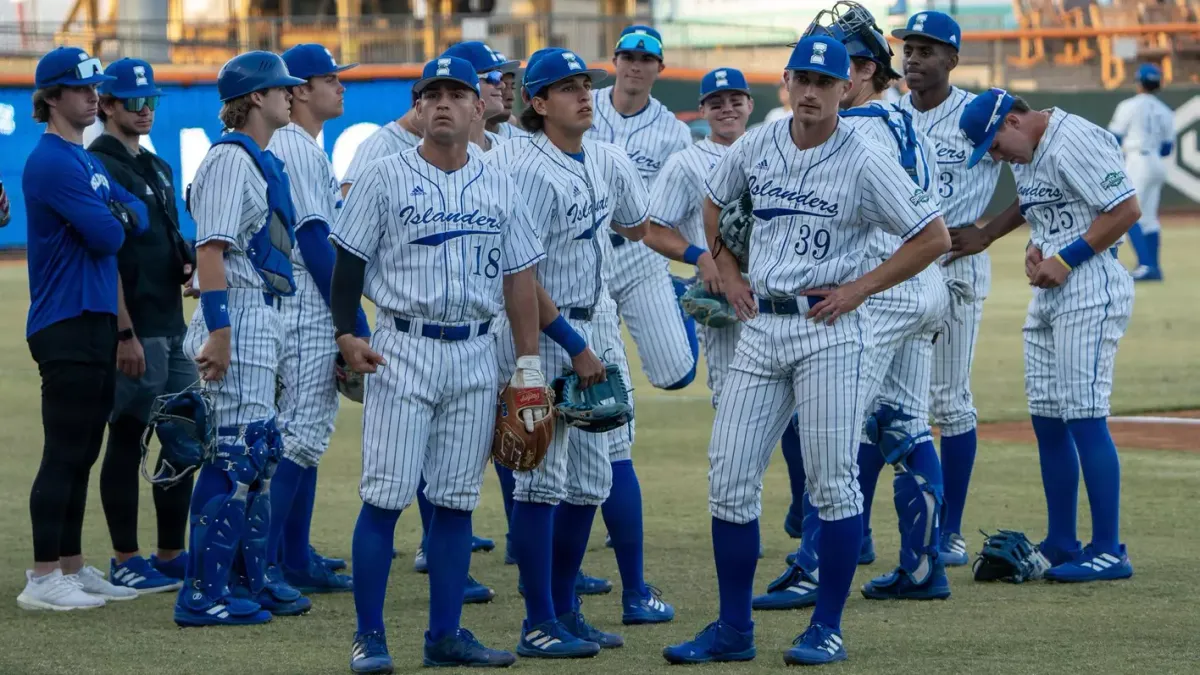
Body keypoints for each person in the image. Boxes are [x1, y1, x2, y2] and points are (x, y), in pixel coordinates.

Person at [663, 35, 950, 666]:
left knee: (832, 484)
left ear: (844, 87)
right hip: (762, 325)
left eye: (826, 81)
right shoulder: (761, 141)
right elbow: (716, 199)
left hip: (830, 331)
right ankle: (734, 629)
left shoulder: (865, 155)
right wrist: (725, 267)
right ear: (787, 84)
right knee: (728, 478)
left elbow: (932, 236)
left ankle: (826, 627)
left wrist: (860, 289)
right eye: (804, 80)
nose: (814, 91)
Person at [332, 56, 546, 671]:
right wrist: (347, 333)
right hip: (403, 347)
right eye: (435, 94)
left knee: (455, 502)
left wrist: (527, 363)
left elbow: (521, 278)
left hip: (479, 351)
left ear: (479, 107)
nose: (447, 103)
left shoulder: (501, 180)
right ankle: (369, 637)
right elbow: (347, 264)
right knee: (385, 497)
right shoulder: (383, 175)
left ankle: (445, 636)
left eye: (458, 93)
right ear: (419, 107)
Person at [755, 2, 955, 610]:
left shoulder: (854, 130)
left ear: (863, 69)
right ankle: (923, 567)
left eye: (839, 64)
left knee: (832, 432)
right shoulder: (901, 117)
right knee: (906, 425)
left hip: (879, 288)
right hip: (924, 288)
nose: (822, 79)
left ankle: (814, 567)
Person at [484, 47, 649, 659]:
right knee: (539, 487)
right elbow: (521, 277)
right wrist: (574, 347)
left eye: (586, 83)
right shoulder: (525, 168)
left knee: (589, 482)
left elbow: (636, 226)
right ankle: (537, 621)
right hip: (550, 339)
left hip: (594, 327)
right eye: (567, 87)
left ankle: (566, 611)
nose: (584, 94)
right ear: (538, 102)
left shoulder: (600, 157)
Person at [959, 88, 1139, 582]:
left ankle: (1108, 549)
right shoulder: (1032, 147)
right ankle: (1062, 540)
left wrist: (1065, 257)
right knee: (1048, 417)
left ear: (1014, 121)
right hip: (1052, 288)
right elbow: (1037, 199)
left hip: (1091, 282)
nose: (995, 157)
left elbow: (1124, 209)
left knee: (1084, 414)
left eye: (994, 146)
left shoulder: (1073, 137)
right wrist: (1029, 243)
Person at [173, 50, 310, 627]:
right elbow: (211, 249)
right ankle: (202, 595)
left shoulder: (259, 159)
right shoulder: (231, 160)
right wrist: (222, 329)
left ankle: (241, 580)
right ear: (255, 96)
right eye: (282, 88)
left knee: (259, 453)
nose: (291, 95)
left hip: (262, 313)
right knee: (235, 454)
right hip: (239, 314)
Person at [18, 46, 149, 611]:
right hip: (64, 319)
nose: (93, 95)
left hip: (92, 318)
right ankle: (43, 575)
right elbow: (111, 235)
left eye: (94, 86)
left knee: (84, 450)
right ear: (51, 97)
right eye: (80, 88)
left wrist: (115, 215)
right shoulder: (49, 160)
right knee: (65, 450)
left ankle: (69, 566)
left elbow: (136, 213)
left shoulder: (86, 160)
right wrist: (115, 216)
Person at [893, 10, 1006, 565]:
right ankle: (890, 530)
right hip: (898, 272)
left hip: (956, 272)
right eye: (908, 48)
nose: (913, 57)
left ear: (952, 60)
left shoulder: (980, 114)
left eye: (927, 49)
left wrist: (988, 231)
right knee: (891, 404)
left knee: (950, 401)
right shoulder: (888, 114)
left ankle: (950, 532)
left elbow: (1041, 169)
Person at [87, 57, 197, 594]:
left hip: (172, 320)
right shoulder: (97, 164)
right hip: (137, 323)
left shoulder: (156, 166)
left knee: (184, 434)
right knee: (127, 437)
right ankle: (125, 557)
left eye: (151, 99)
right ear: (106, 104)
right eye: (133, 100)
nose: (145, 108)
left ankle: (170, 553)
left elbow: (163, 240)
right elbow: (104, 256)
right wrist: (123, 332)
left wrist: (188, 259)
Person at [261, 43, 367, 596]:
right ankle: (269, 565)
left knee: (305, 437)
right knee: (298, 438)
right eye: (330, 78)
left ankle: (293, 557)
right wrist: (351, 320)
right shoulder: (296, 148)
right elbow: (314, 241)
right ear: (299, 89)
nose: (340, 86)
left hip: (298, 303)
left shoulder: (295, 145)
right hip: (303, 305)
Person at [587, 24, 698, 393]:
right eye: (629, 57)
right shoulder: (584, 107)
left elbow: (684, 203)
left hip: (641, 252)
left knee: (675, 375)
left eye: (646, 58)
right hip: (586, 252)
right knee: (595, 382)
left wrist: (701, 257)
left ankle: (675, 295)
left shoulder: (673, 131)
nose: (636, 65)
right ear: (616, 61)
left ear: (660, 68)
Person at [646, 67, 752, 408]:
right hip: (724, 296)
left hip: (780, 291)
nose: (727, 109)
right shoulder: (686, 163)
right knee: (734, 400)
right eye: (716, 103)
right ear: (703, 110)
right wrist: (700, 256)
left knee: (797, 405)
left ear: (750, 104)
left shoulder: (773, 151)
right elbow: (653, 228)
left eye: (735, 100)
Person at [1108, 62, 1174, 281]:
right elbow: (1167, 149)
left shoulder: (1129, 105)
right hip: (1156, 162)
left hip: (1137, 160)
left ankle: (1146, 265)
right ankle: (1154, 267)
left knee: (1128, 214)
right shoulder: (1165, 110)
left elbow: (1113, 137)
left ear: (1138, 83)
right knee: (1149, 218)